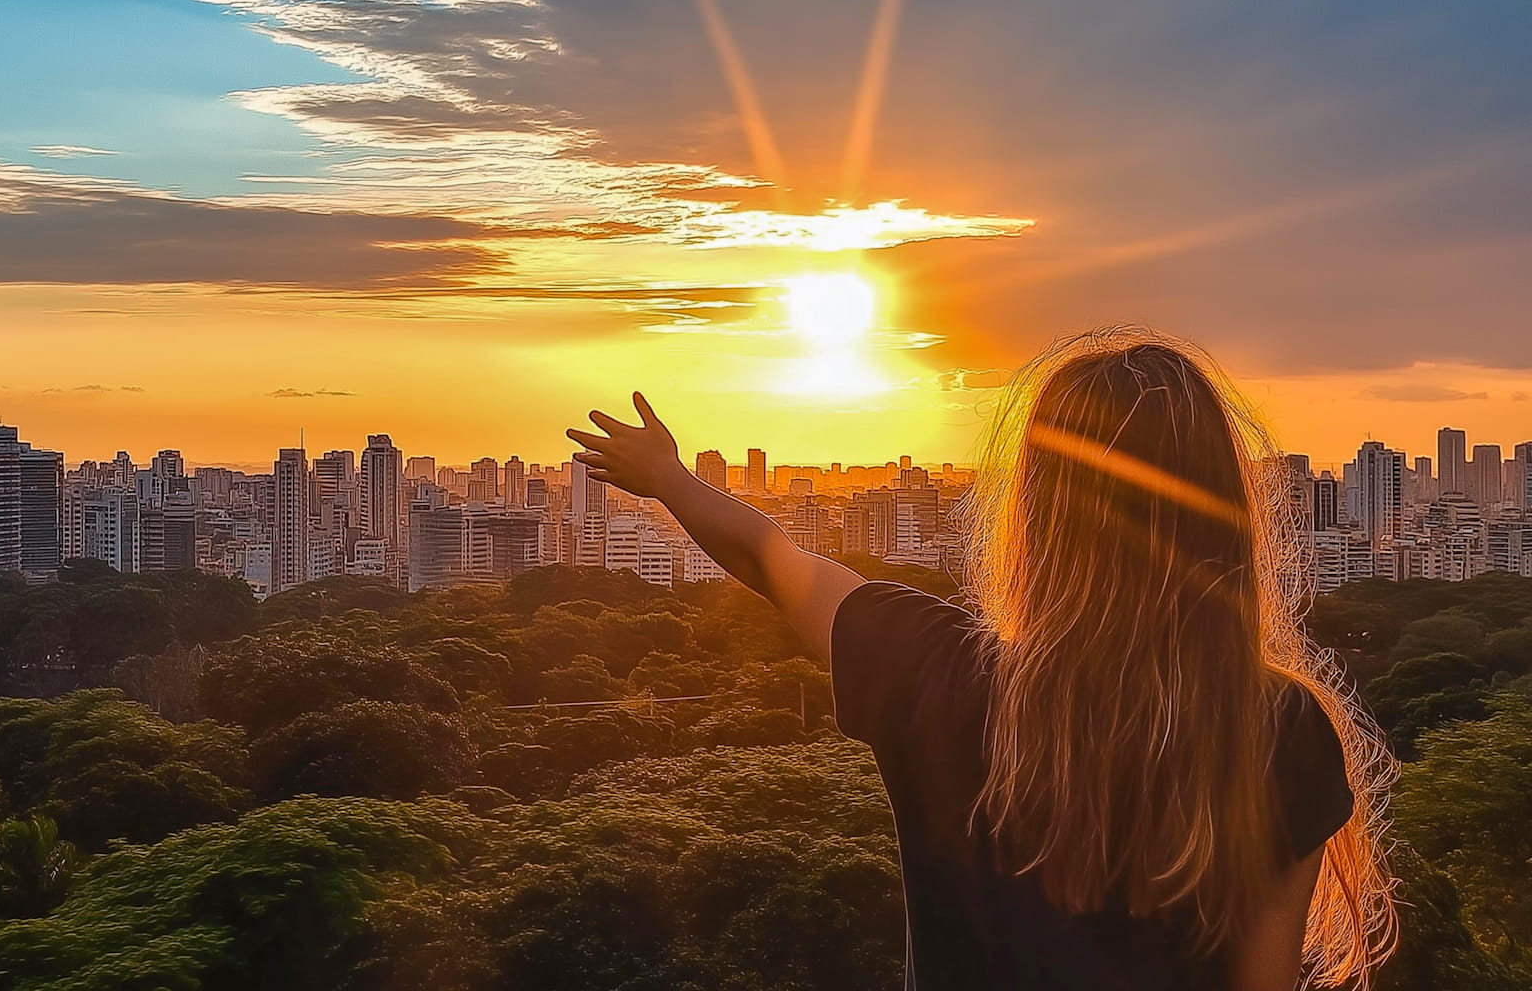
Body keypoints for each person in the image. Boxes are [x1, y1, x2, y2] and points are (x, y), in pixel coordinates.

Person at [566, 326, 1396, 990]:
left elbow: (774, 562)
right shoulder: (1281, 728)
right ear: (1224, 513)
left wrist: (670, 477)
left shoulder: (936, 671)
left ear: (1035, 506)